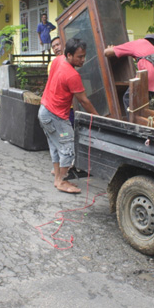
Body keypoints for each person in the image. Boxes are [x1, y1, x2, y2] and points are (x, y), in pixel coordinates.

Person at [39, 38, 98, 194]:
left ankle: (57, 178)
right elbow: (84, 101)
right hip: (55, 116)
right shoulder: (72, 75)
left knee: (55, 146)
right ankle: (61, 180)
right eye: (79, 57)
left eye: (84, 56)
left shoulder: (58, 60)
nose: (83, 60)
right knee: (68, 147)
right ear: (70, 55)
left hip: (44, 111)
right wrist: (98, 118)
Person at [104, 33, 154, 113]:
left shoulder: (139, 43)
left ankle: (133, 124)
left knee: (129, 99)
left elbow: (107, 52)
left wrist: (112, 48)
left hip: (153, 78)